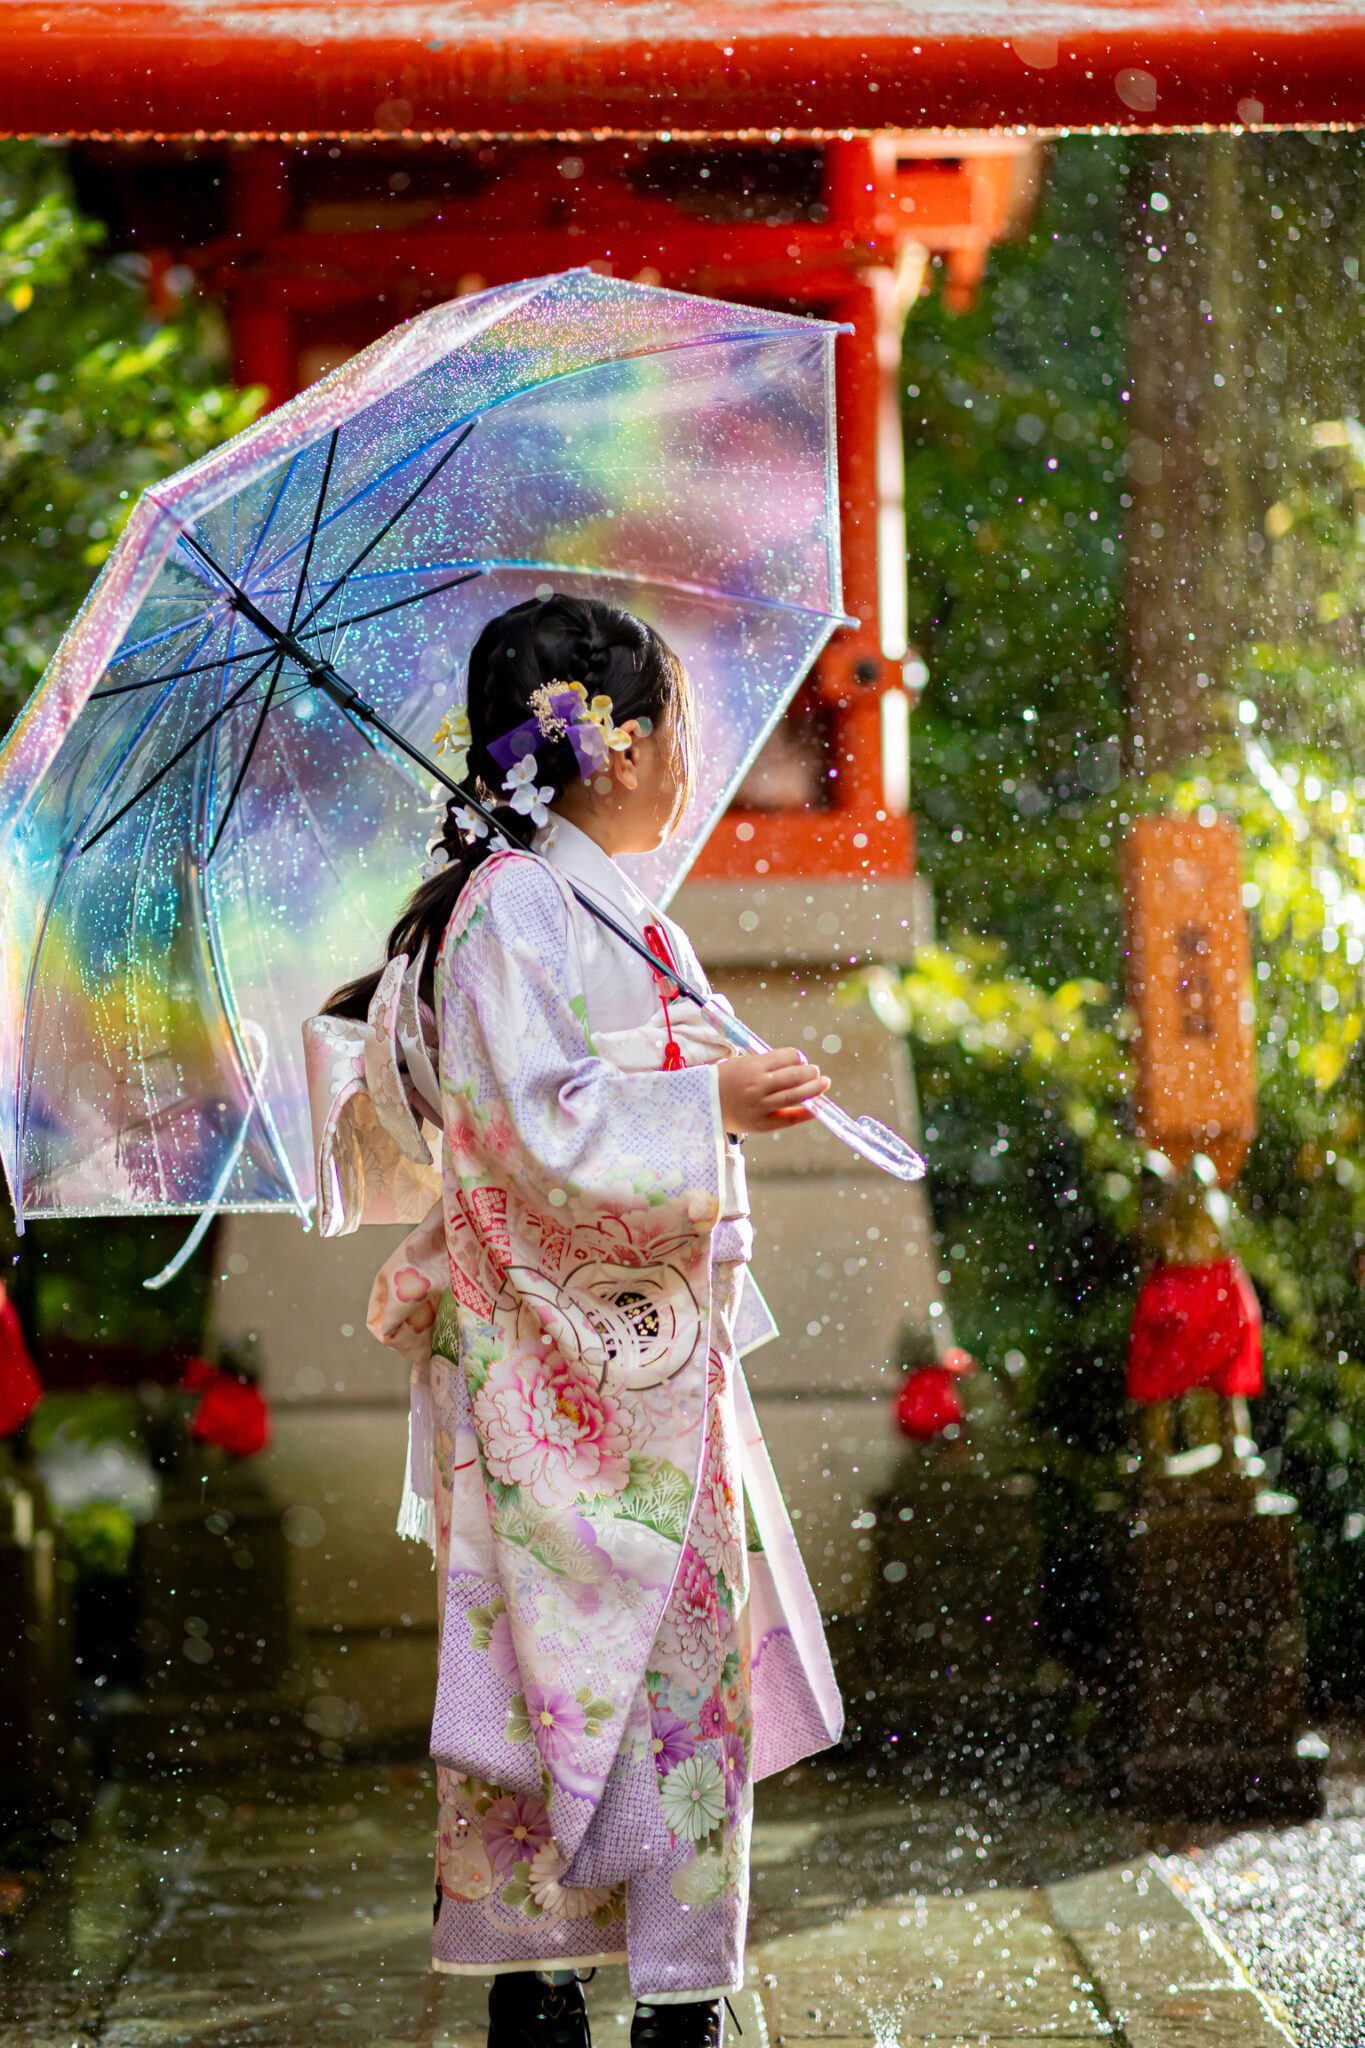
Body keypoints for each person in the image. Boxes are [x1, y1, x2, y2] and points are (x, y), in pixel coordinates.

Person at [304, 594, 844, 2048]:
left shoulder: (586, 906)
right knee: (575, 1678)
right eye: (670, 717)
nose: (690, 749)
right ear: (607, 745)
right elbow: (526, 1138)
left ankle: (665, 1990)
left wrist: (716, 1088)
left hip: (619, 1360)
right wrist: (705, 1104)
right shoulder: (507, 914)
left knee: (654, 1676)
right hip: (557, 1375)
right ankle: (559, 1991)